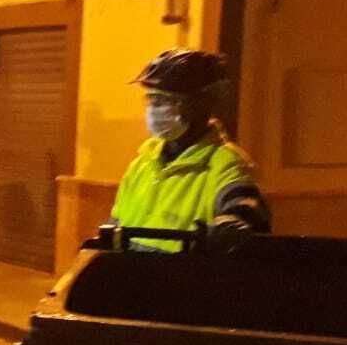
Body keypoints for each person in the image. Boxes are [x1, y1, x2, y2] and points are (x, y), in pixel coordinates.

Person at [112, 48, 269, 249]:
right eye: (151, 99)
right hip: (131, 278)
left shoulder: (226, 164)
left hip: (181, 279)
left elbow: (244, 206)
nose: (154, 109)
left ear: (202, 104)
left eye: (167, 100)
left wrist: (234, 224)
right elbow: (115, 228)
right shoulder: (142, 163)